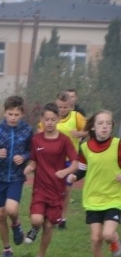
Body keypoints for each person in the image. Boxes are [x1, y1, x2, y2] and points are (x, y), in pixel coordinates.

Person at [67, 110, 121, 257]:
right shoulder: (85, 148)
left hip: (114, 198)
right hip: (93, 199)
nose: (104, 127)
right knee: (96, 238)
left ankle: (113, 240)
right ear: (93, 127)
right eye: (100, 123)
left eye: (108, 123)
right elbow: (82, 169)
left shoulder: (118, 145)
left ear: (112, 127)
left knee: (106, 234)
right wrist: (74, 176)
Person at [23, 103, 79, 257]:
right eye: (46, 119)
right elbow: (34, 162)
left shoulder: (64, 140)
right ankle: (34, 227)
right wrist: (29, 167)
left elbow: (75, 163)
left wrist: (65, 172)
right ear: (41, 120)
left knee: (49, 226)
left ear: (58, 120)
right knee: (36, 219)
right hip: (40, 187)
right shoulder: (36, 140)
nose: (49, 122)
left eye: (52, 119)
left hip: (57, 189)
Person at [0, 95, 33, 257]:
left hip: (16, 177)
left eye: (16, 114)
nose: (13, 118)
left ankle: (16, 224)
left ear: (22, 114)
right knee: (0, 214)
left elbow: (31, 151)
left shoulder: (27, 130)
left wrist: (24, 157)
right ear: (5, 113)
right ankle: (7, 249)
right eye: (10, 114)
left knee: (11, 210)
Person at [40, 91, 87, 230]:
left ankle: (62, 218)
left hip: (69, 160)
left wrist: (80, 134)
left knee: (66, 189)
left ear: (70, 106)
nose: (61, 110)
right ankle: (50, 215)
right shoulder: (50, 117)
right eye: (59, 107)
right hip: (52, 160)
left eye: (65, 107)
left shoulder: (76, 116)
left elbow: (89, 130)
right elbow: (40, 132)